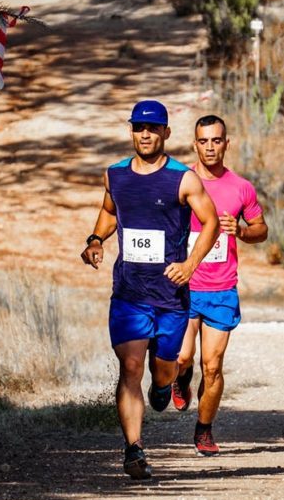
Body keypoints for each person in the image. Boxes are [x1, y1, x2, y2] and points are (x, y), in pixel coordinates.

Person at [80, 99, 220, 480]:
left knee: (161, 371)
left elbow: (211, 224)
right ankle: (133, 450)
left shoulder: (182, 179)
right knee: (129, 367)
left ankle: (165, 385)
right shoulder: (115, 175)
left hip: (170, 299)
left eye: (153, 128)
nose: (145, 134)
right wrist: (96, 239)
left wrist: (190, 265)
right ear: (131, 131)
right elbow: (110, 211)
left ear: (166, 133)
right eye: (139, 128)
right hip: (129, 293)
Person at [172, 115, 268, 457]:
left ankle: (204, 430)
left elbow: (261, 229)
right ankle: (180, 377)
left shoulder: (241, 187)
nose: (210, 147)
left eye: (216, 140)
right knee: (182, 356)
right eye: (203, 141)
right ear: (194, 144)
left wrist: (240, 231)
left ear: (226, 143)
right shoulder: (180, 181)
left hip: (220, 289)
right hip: (184, 286)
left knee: (212, 367)